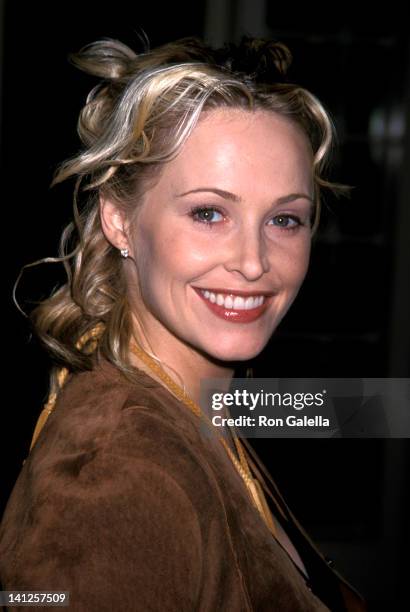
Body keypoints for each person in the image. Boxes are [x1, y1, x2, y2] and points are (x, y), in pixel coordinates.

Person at [0, 35, 366, 611]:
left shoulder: (194, 403)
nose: (253, 262)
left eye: (285, 219)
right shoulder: (117, 474)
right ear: (119, 221)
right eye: (209, 213)